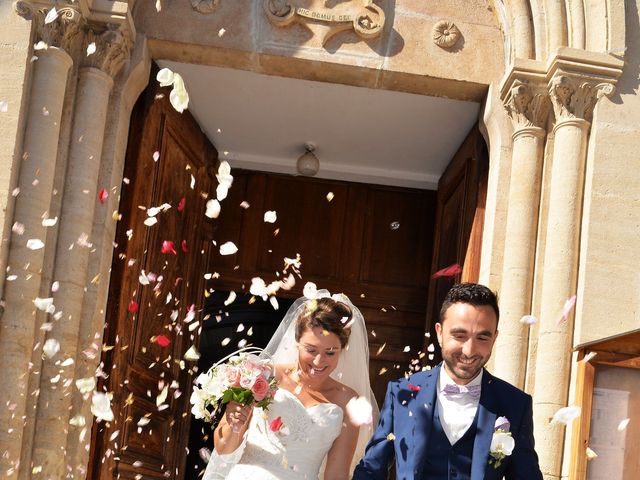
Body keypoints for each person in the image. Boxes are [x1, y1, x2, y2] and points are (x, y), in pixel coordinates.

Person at [353, 283, 543, 480]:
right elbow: (372, 470)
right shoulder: (402, 393)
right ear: (439, 332)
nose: (469, 351)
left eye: (482, 338)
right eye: (459, 336)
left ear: (495, 338)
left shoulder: (515, 404)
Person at [203, 292, 378, 480]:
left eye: (330, 352)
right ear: (297, 342)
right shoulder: (262, 375)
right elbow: (224, 448)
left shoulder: (348, 400)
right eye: (311, 350)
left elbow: (336, 474)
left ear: (342, 349)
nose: (319, 361)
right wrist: (233, 422)